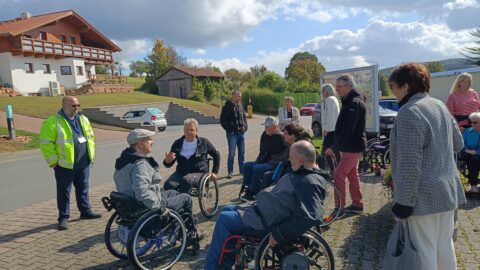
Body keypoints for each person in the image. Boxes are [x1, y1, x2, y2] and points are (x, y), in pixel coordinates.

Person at [388, 63, 466, 269]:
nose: (393, 92)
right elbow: (459, 144)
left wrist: (402, 206)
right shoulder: (439, 105)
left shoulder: (409, 112)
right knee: (444, 249)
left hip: (422, 198)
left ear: (405, 86)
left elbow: (409, 164)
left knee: (424, 253)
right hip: (447, 192)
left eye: (393, 86)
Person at [204, 141, 326, 270]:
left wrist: (279, 233)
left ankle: (211, 267)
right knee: (228, 208)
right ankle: (225, 264)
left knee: (224, 218)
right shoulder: (305, 174)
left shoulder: (308, 181)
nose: (289, 159)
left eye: (292, 156)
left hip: (265, 221)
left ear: (301, 160)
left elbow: (311, 216)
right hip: (263, 211)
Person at [113, 129, 203, 254]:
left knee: (174, 193)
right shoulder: (140, 165)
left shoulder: (124, 159)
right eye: (149, 139)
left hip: (132, 205)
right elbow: (142, 192)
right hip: (146, 207)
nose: (152, 142)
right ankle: (190, 233)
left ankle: (181, 230)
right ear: (140, 143)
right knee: (186, 199)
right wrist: (159, 207)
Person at [39, 96, 101, 230]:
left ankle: (85, 211)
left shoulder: (83, 119)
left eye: (78, 105)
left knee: (83, 187)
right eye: (73, 105)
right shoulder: (52, 121)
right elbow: (46, 143)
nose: (77, 107)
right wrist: (54, 162)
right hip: (64, 165)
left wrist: (91, 156)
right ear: (64, 105)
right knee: (64, 192)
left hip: (83, 162)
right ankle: (63, 217)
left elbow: (91, 138)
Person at [325, 74, 366, 217]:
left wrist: (334, 147)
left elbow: (348, 129)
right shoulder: (350, 101)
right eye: (336, 87)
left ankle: (339, 209)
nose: (337, 90)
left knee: (338, 175)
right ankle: (357, 205)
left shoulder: (354, 103)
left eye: (339, 87)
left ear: (349, 86)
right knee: (352, 175)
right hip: (351, 146)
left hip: (352, 147)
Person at [163, 118, 220, 193]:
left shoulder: (204, 142)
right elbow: (168, 164)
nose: (189, 132)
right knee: (168, 185)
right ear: (183, 130)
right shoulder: (177, 143)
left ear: (197, 130)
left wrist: (214, 172)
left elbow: (216, 155)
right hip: (180, 172)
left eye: (192, 130)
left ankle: (184, 202)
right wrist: (167, 161)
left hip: (199, 173)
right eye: (186, 130)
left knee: (186, 181)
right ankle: (173, 203)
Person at [241, 116, 286, 201]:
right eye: (265, 126)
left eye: (268, 126)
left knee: (257, 168)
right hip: (264, 160)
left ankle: (253, 192)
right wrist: (258, 160)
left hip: (274, 163)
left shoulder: (281, 137)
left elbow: (287, 150)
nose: (266, 128)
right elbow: (262, 150)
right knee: (246, 166)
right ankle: (247, 187)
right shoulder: (264, 135)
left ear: (275, 127)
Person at [261, 123, 312, 190]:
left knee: (271, 181)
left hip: (298, 173)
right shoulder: (293, 143)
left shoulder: (300, 146)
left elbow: (299, 165)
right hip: (289, 170)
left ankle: (266, 196)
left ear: (293, 135)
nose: (284, 135)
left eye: (285, 133)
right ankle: (261, 196)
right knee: (267, 175)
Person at [220, 90, 248, 179]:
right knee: (232, 153)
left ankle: (242, 171)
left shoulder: (240, 106)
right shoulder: (227, 107)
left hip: (241, 133)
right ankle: (230, 172)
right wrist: (230, 130)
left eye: (240, 96)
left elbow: (244, 117)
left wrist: (245, 127)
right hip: (232, 134)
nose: (240, 98)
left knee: (242, 153)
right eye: (238, 96)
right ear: (233, 96)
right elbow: (222, 121)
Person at [320, 83, 341, 171]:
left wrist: (326, 130)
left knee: (327, 151)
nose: (322, 93)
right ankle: (337, 169)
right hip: (334, 129)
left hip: (331, 130)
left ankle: (335, 170)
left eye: (322, 91)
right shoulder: (334, 99)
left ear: (326, 91)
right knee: (334, 151)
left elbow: (329, 116)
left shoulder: (329, 100)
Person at [460, 112, 480, 193]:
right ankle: (473, 185)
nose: (472, 124)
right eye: (471, 122)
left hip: (477, 154)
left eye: (475, 122)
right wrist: (468, 150)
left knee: (475, 159)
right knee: (473, 160)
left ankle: (474, 185)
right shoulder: (467, 131)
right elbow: (463, 143)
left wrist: (476, 152)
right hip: (468, 154)